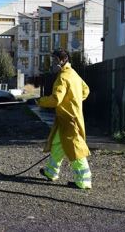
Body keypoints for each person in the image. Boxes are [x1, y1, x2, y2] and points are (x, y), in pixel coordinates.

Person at [37, 49, 92, 189]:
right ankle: (51, 172)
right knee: (57, 143)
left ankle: (84, 180)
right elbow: (86, 90)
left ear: (61, 61)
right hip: (69, 116)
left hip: (68, 118)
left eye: (54, 61)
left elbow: (56, 100)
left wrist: (40, 101)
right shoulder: (73, 74)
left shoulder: (63, 77)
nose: (52, 64)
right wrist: (74, 101)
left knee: (75, 147)